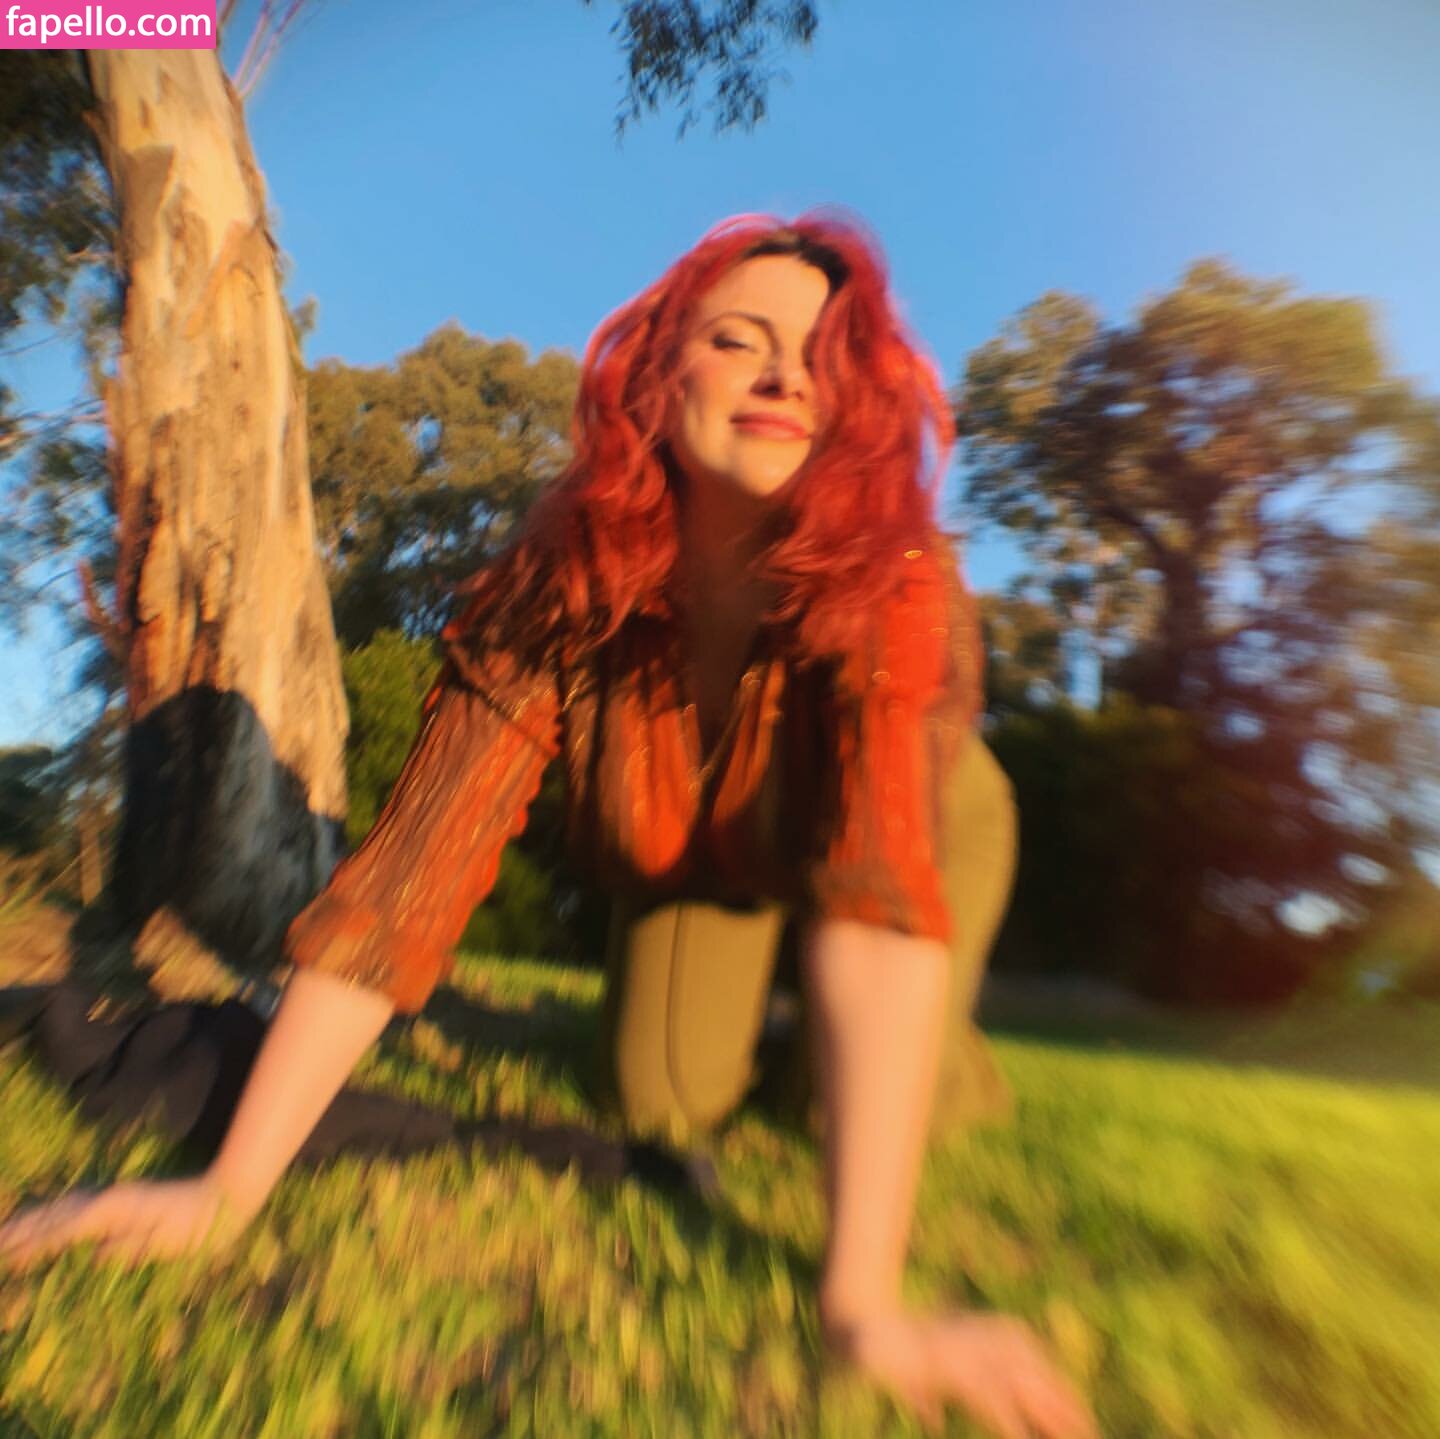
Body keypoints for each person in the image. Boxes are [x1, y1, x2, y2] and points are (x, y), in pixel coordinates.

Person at [0, 212, 1098, 1439]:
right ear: (660, 374)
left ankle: (905, 1049)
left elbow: (875, 885)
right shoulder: (560, 576)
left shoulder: (898, 573)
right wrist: (229, 1188)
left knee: (854, 1100)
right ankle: (790, 1022)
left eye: (823, 356)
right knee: (660, 1092)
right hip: (696, 865)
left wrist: (863, 1308)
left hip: (915, 823)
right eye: (739, 340)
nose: (786, 377)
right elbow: (404, 885)